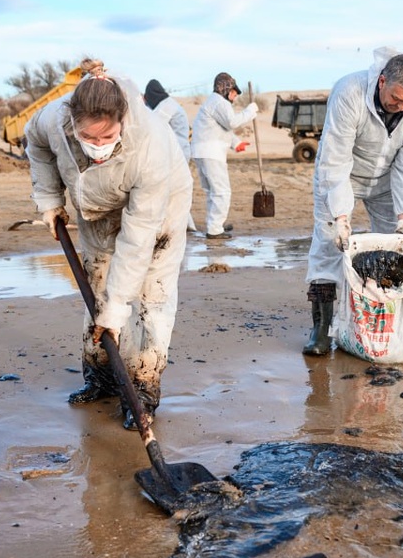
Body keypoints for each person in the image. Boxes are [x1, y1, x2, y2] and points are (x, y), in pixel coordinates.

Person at [25, 60, 192, 430]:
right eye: (89, 138)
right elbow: (34, 143)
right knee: (96, 285)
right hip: (96, 206)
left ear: (123, 120)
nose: (98, 146)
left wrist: (118, 309)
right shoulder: (53, 119)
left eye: (107, 137)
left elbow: (138, 238)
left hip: (158, 209)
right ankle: (101, 376)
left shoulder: (147, 146)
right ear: (72, 121)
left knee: (150, 295)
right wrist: (50, 199)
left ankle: (143, 390)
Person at [302, 47, 403, 356]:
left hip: (388, 180)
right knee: (327, 246)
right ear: (382, 81)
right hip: (343, 174)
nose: (402, 107)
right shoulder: (349, 91)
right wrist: (341, 218)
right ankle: (321, 328)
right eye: (396, 99)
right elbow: (336, 159)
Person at [190, 72, 258, 240]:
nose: (234, 97)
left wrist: (236, 144)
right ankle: (214, 229)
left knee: (212, 192)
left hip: (201, 152)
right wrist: (250, 111)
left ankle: (215, 225)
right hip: (210, 153)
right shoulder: (220, 102)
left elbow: (222, 129)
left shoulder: (212, 103)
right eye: (234, 92)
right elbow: (232, 123)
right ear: (226, 88)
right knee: (222, 192)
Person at [144, 78, 196, 231]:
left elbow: (153, 123)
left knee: (174, 188)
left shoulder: (167, 106)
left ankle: (184, 223)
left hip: (177, 153)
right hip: (176, 152)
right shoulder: (167, 104)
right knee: (176, 188)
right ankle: (187, 224)